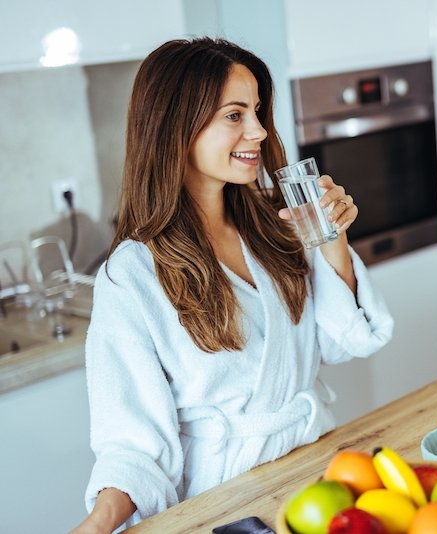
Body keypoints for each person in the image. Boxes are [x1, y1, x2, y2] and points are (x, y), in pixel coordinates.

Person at [70, 37, 393, 533]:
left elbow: (341, 341)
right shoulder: (131, 275)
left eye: (258, 111)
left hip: (319, 472)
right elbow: (131, 444)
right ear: (177, 126)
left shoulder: (273, 222)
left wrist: (333, 239)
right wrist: (95, 525)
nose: (260, 130)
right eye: (235, 115)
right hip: (227, 504)